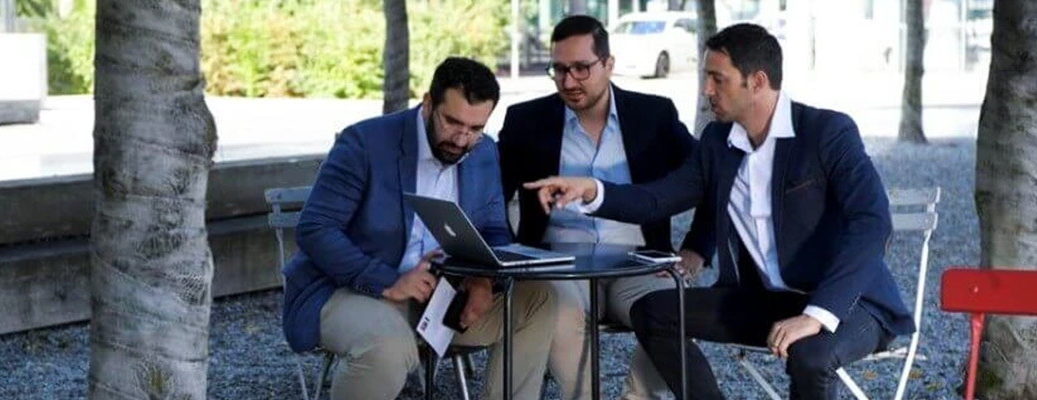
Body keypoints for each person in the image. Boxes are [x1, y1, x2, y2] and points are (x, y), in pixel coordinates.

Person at [524, 24, 913, 400]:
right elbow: (659, 198)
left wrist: (817, 314)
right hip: (766, 300)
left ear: (757, 82)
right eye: (705, 77)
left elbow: (873, 222)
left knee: (809, 356)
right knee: (653, 312)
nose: (706, 89)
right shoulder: (717, 141)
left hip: (849, 303)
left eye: (717, 79)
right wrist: (593, 191)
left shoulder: (826, 131)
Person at [280, 57, 557, 400]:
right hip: (353, 290)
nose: (461, 139)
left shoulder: (483, 152)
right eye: (452, 122)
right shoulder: (365, 144)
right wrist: (389, 281)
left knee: (539, 299)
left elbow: (493, 230)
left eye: (475, 129)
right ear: (428, 103)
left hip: (441, 299)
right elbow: (315, 229)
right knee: (386, 345)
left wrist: (484, 279)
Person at [497, 15, 712, 400]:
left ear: (608, 64)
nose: (568, 81)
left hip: (640, 262)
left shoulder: (654, 115)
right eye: (559, 70)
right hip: (559, 264)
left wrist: (697, 248)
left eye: (581, 68)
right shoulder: (526, 121)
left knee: (675, 306)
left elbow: (711, 179)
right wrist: (511, 255)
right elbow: (490, 195)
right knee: (554, 309)